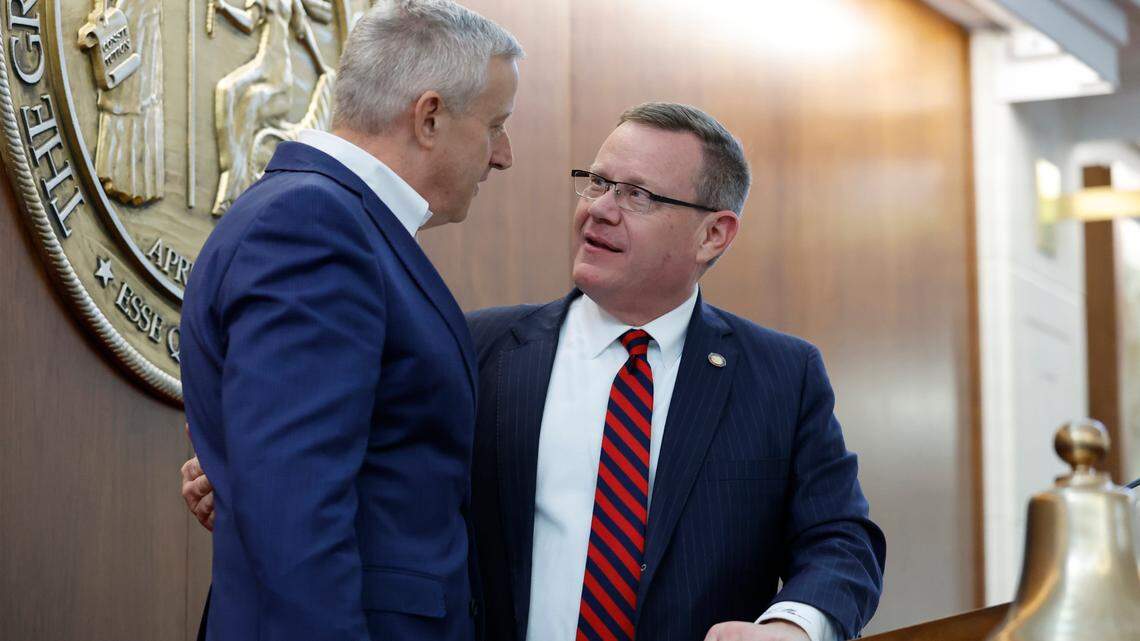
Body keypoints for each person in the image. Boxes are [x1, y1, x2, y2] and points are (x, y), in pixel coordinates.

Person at [184, 103, 885, 641]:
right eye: (596, 182)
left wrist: (794, 625)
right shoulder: (477, 347)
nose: (598, 209)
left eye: (639, 195)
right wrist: (244, 476)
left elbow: (842, 539)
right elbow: (365, 482)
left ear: (713, 233)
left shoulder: (780, 376)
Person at [179, 1, 522, 640]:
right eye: (496, 125)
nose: (502, 154)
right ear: (429, 116)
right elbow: (293, 512)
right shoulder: (313, 227)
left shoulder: (336, 221)